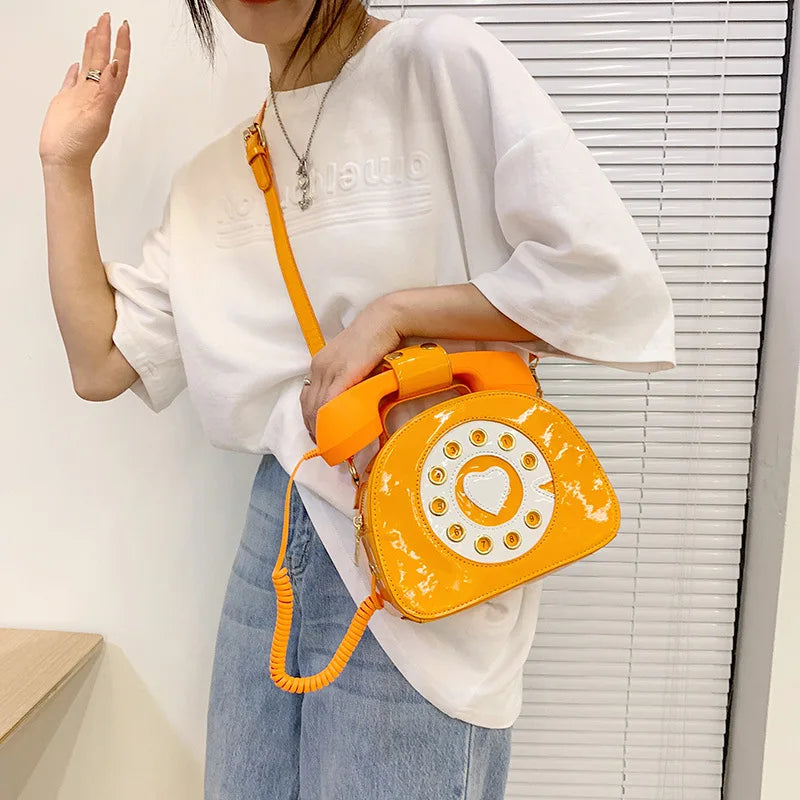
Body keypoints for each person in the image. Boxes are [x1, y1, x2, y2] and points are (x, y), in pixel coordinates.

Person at [39, 2, 676, 798]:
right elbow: (100, 362)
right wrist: (66, 164)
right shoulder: (217, 177)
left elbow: (603, 279)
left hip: (432, 518)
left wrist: (398, 311)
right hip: (278, 535)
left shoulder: (439, 64)